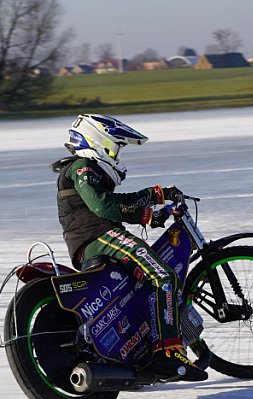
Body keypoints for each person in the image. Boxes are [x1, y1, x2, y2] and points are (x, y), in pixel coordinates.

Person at [51, 113, 209, 381]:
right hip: (98, 238)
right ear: (97, 141)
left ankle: (162, 347)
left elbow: (113, 201)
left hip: (99, 237)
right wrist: (147, 213)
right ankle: (167, 354)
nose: (116, 156)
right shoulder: (82, 168)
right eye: (114, 147)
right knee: (163, 277)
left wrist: (155, 198)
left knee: (150, 283)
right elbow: (104, 206)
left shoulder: (86, 170)